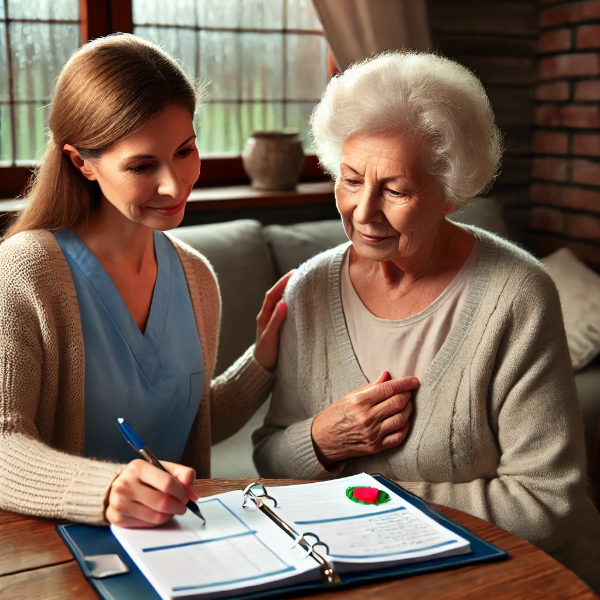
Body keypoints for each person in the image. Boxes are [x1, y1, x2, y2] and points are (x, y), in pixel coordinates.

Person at [253, 51, 600, 591]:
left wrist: (368, 495)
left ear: (450, 192)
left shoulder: (517, 294)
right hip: (369, 578)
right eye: (349, 180)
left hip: (515, 576)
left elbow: (546, 503)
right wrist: (321, 440)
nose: (363, 212)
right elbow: (271, 456)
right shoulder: (312, 288)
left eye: (395, 190)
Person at [0, 34, 290, 529]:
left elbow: (191, 420)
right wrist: (106, 490)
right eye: (141, 165)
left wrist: (263, 360)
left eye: (185, 151)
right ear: (81, 162)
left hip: (174, 543)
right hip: (57, 550)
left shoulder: (196, 277)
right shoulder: (25, 271)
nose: (175, 184)